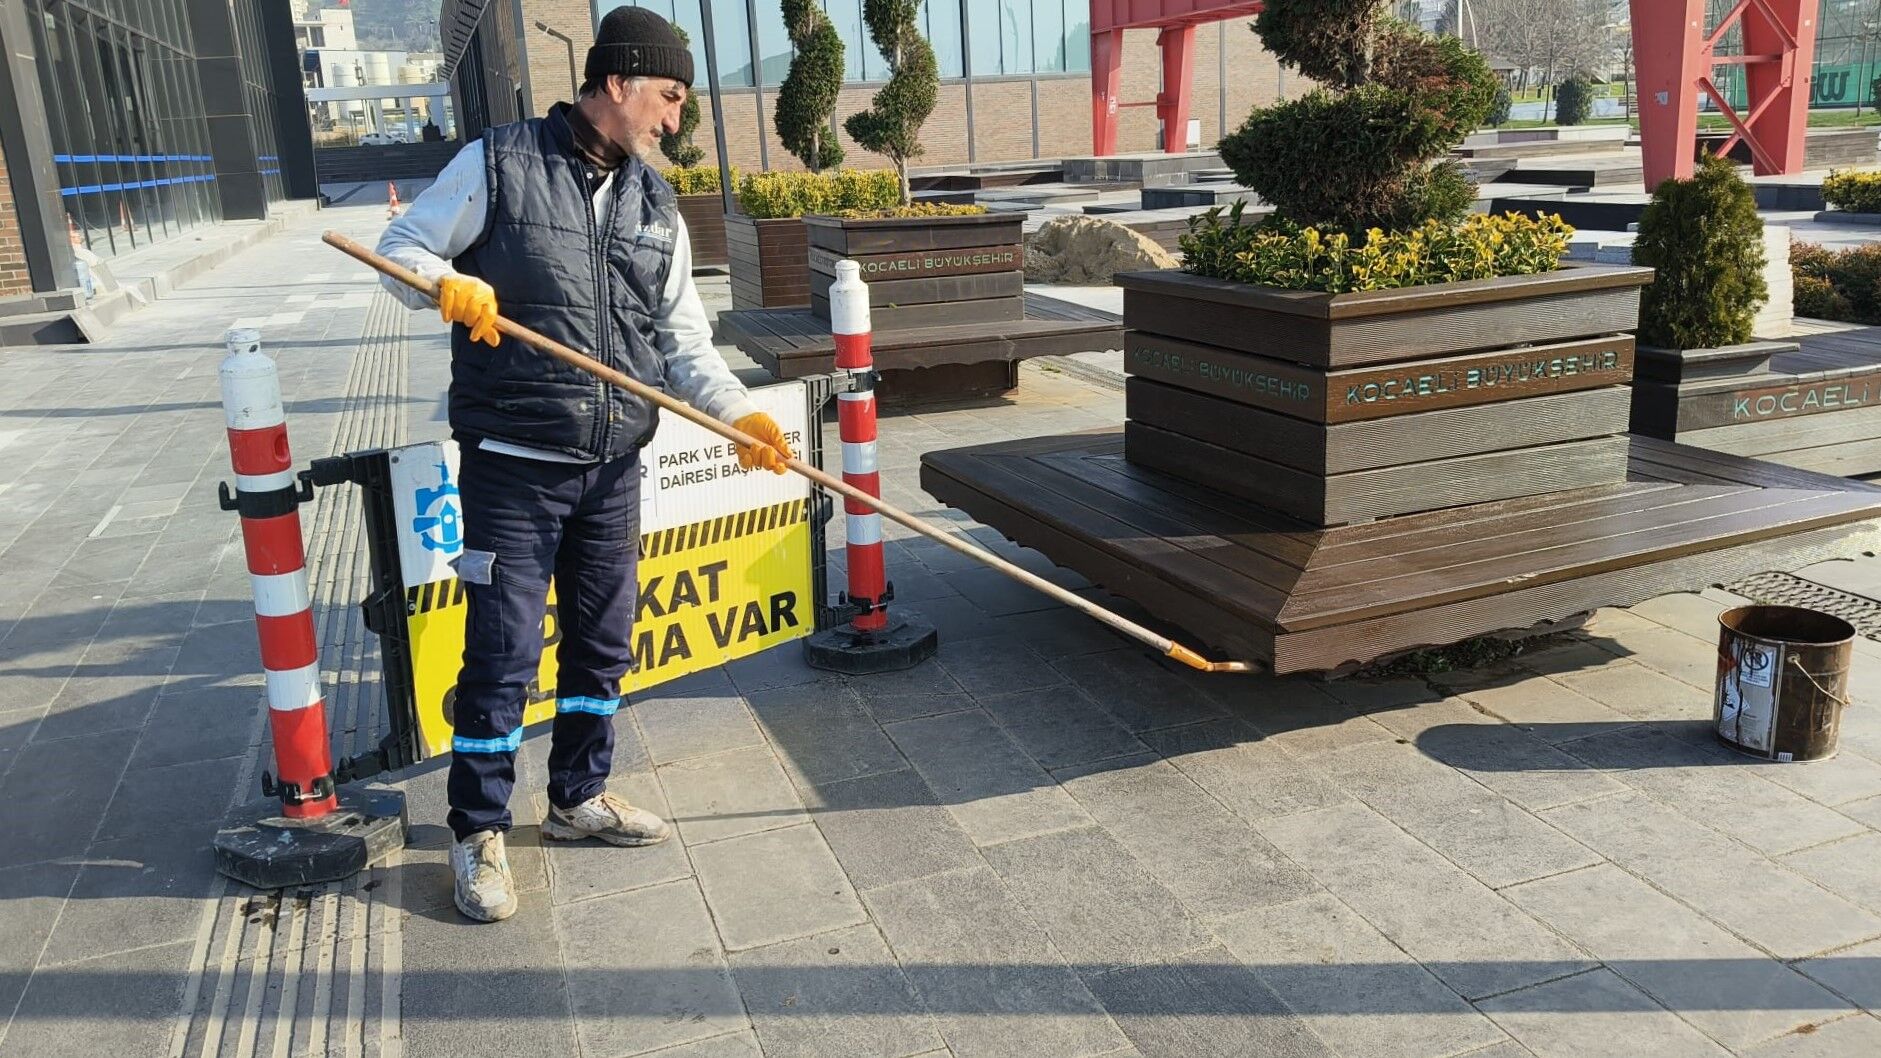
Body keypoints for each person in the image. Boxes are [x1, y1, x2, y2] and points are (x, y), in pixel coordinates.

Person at [375, 5, 793, 923]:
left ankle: (575, 800)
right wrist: (445, 282)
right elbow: (397, 251)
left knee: (603, 645)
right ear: (617, 82)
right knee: (502, 654)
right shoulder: (498, 163)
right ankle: (479, 829)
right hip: (513, 469)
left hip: (612, 468)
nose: (675, 119)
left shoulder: (655, 205)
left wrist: (743, 417)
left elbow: (682, 342)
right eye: (669, 96)